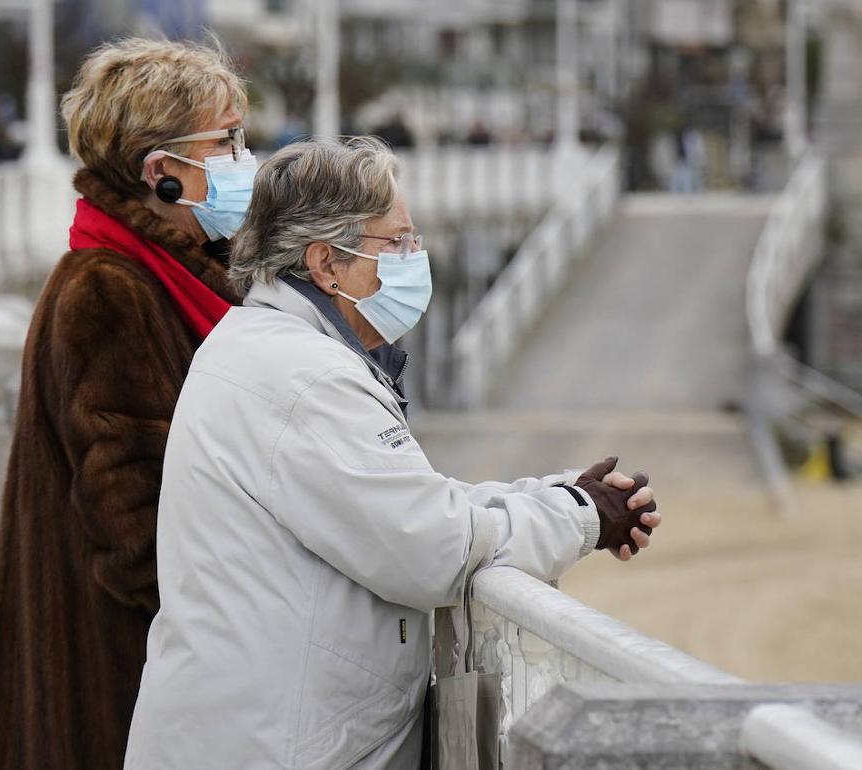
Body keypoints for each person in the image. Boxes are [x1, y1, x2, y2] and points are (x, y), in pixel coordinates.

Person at [123, 137, 662, 769]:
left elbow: (400, 502)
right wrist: (579, 515)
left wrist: (556, 495)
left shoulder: (261, 344)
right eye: (397, 241)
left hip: (249, 735)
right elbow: (434, 547)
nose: (416, 257)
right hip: (278, 748)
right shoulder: (308, 378)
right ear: (326, 262)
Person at [0, 38, 252, 769]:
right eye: (225, 142)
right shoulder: (111, 289)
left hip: (140, 669)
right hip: (119, 678)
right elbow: (137, 528)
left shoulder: (165, 274)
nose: (243, 159)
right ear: (161, 173)